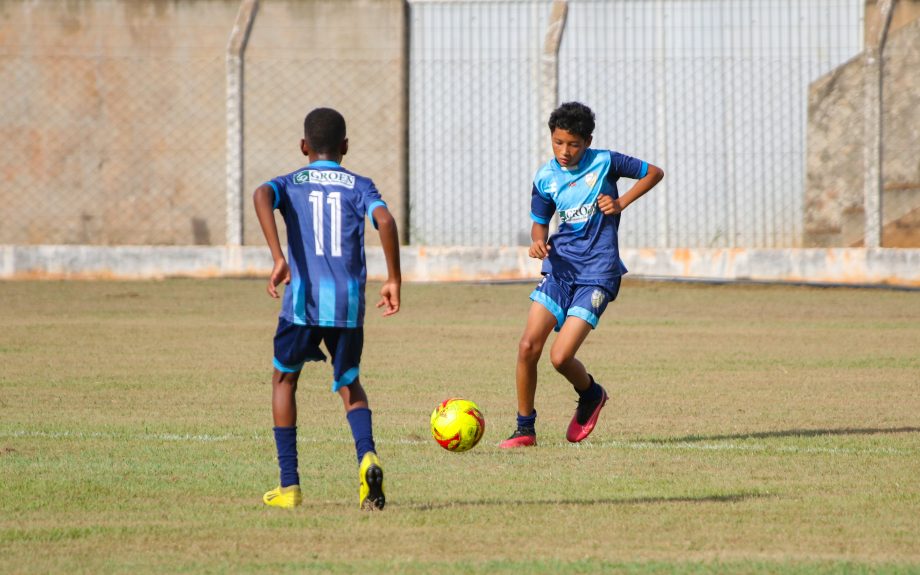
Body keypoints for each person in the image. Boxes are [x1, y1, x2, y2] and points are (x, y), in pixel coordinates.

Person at [253, 107, 402, 509]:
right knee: (349, 383)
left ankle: (289, 487)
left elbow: (261, 194)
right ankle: (367, 456)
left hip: (302, 303)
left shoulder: (290, 182)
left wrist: (277, 255)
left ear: (304, 146)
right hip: (348, 306)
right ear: (345, 147)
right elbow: (385, 221)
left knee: (284, 381)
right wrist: (394, 280)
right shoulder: (360, 185)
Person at [500, 101, 664, 449]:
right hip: (560, 269)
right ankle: (524, 429)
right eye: (558, 142)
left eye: (573, 144)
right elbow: (539, 224)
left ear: (587, 141)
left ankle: (591, 394)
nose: (565, 151)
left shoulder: (606, 162)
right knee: (528, 346)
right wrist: (537, 243)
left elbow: (654, 172)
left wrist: (621, 203)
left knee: (560, 358)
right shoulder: (545, 177)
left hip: (598, 274)